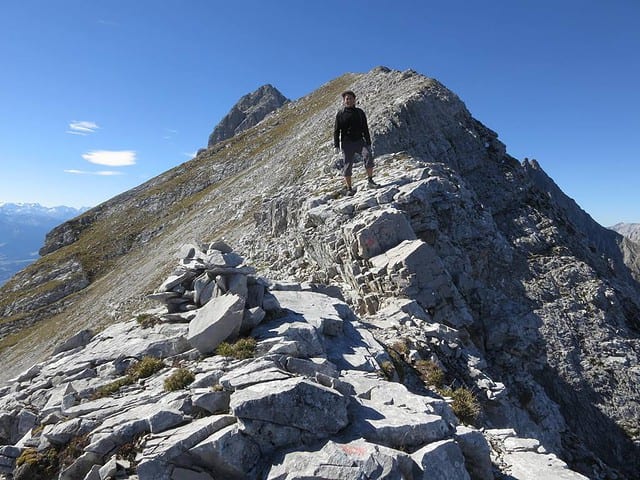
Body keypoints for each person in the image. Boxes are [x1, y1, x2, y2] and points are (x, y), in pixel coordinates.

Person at [333, 90, 379, 195]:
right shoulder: (340, 114)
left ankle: (370, 180)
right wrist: (336, 145)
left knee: (368, 155)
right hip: (346, 143)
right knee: (347, 165)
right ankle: (349, 188)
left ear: (354, 100)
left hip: (359, 141)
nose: (348, 100)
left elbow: (365, 128)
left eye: (350, 98)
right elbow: (336, 130)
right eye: (346, 99)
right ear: (344, 101)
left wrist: (368, 142)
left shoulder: (360, 112)